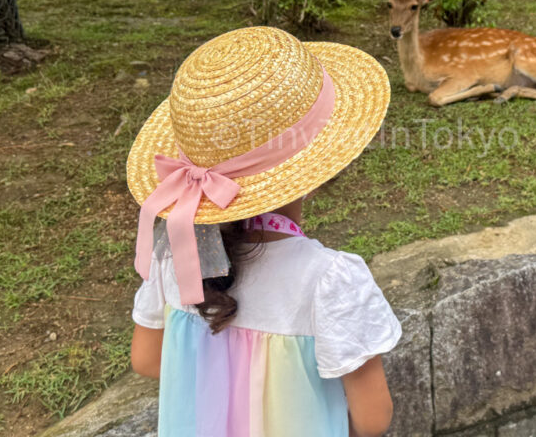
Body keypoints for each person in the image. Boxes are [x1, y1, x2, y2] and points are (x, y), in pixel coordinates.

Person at [126, 26, 400, 437]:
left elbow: (147, 361)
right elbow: (373, 418)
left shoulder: (174, 256)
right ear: (315, 169)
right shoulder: (328, 280)